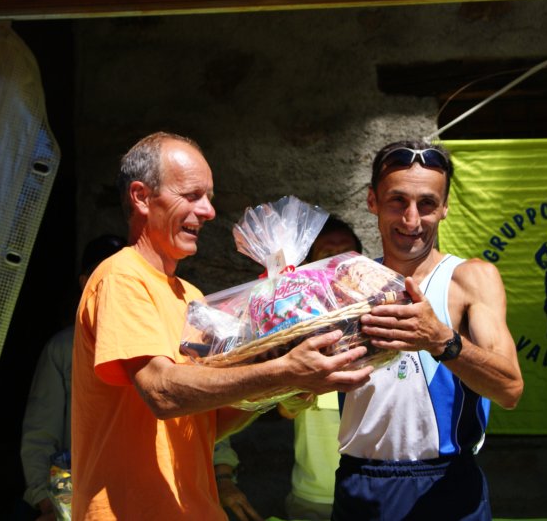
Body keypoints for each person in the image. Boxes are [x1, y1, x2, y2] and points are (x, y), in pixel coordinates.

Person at [70, 131, 378, 520]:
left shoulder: (192, 297)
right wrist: (283, 370)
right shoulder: (121, 276)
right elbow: (161, 392)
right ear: (141, 197)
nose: (209, 211)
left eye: (209, 197)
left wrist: (286, 382)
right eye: (192, 195)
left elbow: (209, 422)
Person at [332, 139, 524, 520]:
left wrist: (440, 339)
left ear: (445, 207)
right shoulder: (346, 284)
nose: (411, 220)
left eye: (427, 204)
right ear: (372, 201)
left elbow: (509, 389)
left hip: (447, 486)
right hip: (363, 485)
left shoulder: (470, 279)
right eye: (397, 201)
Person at [20, 234, 127, 520]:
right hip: (81, 498)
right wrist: (47, 501)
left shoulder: (155, 341)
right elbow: (41, 434)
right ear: (84, 283)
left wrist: (222, 474)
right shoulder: (63, 349)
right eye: (102, 274)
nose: (114, 284)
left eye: (122, 275)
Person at [277, 216, 363, 521]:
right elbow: (286, 410)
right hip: (313, 499)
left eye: (346, 256)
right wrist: (298, 386)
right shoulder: (295, 328)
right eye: (326, 256)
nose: (336, 266)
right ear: (308, 268)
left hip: (371, 494)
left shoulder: (381, 325)